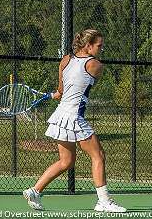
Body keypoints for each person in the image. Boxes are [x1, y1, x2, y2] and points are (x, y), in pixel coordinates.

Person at [23, 29, 126, 213]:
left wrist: (55, 94)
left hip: (60, 114)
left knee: (66, 161)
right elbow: (78, 88)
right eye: (99, 46)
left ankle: (35, 190)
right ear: (88, 46)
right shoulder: (95, 65)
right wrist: (63, 93)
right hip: (73, 116)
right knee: (98, 155)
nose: (102, 49)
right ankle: (104, 201)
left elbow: (61, 91)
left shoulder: (65, 60)